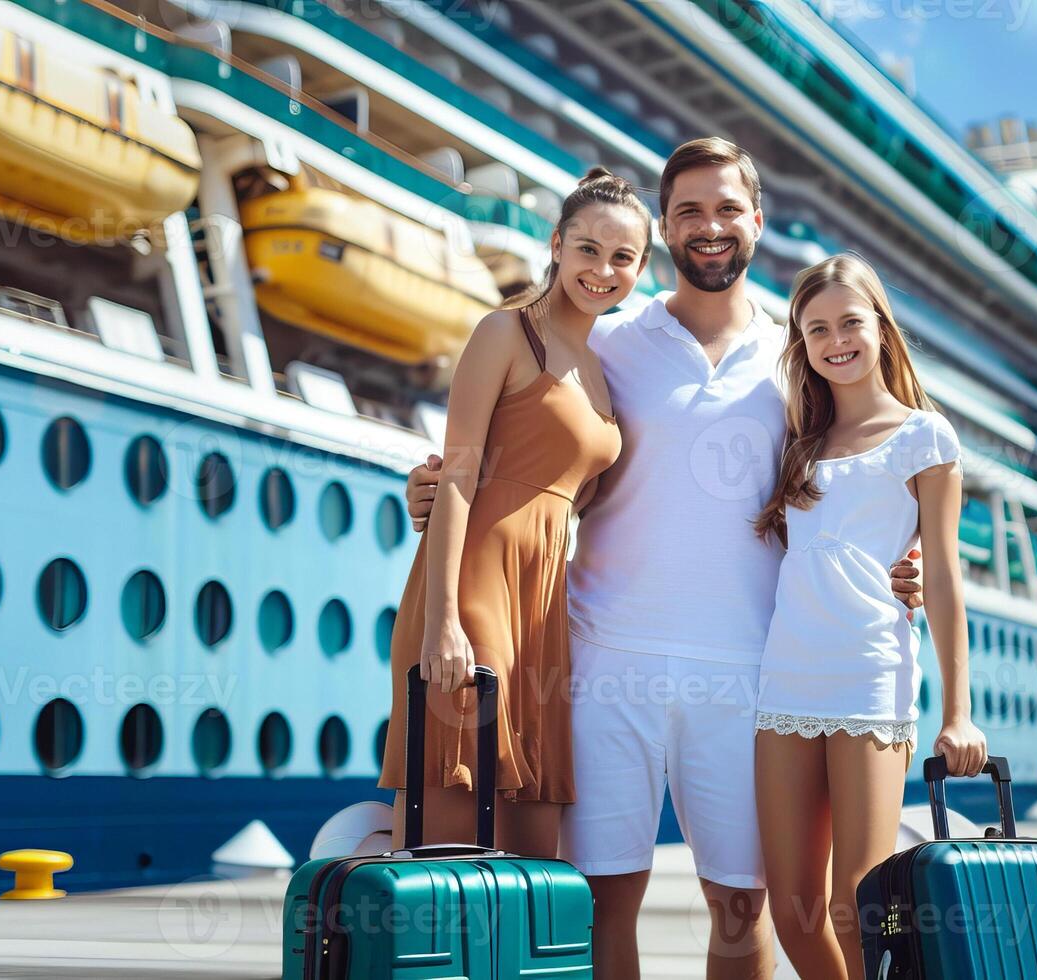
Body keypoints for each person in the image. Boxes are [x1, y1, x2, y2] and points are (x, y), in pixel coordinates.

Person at [399, 138, 925, 979]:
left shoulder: (802, 362)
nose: (709, 227)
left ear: (757, 220)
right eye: (688, 211)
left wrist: (915, 555)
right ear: (666, 233)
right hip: (606, 657)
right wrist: (427, 489)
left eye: (726, 209)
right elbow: (520, 451)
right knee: (603, 898)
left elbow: (869, 469)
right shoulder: (608, 340)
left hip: (751, 668)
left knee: (740, 905)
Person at [372, 168, 645, 857]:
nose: (602, 270)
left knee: (532, 841)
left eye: (623, 258)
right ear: (556, 244)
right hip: (471, 593)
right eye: (587, 248)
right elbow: (459, 474)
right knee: (452, 828)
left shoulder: (602, 364)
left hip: (545, 612)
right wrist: (442, 623)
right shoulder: (506, 332)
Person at [749, 254, 987, 980]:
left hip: (869, 675)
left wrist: (959, 713)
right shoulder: (800, 443)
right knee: (792, 907)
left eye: (850, 321)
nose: (835, 339)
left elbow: (942, 574)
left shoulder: (925, 436)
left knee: (859, 902)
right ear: (802, 344)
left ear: (881, 327)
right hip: (785, 681)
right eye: (815, 329)